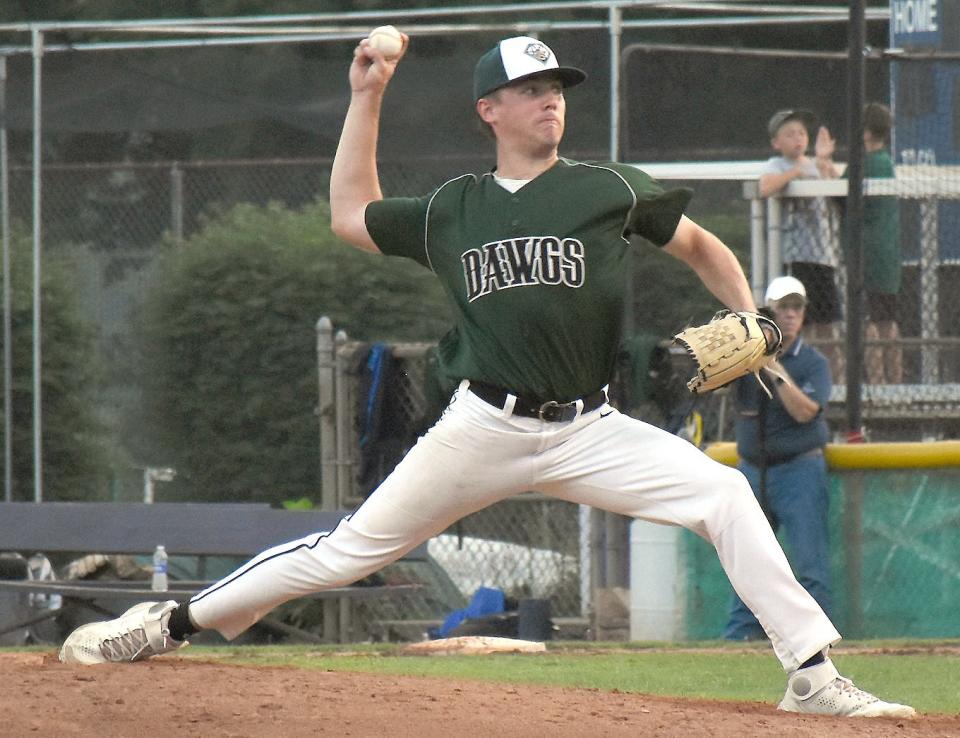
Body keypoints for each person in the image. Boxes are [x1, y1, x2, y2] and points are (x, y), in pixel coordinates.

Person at [59, 35, 914, 718]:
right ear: (489, 109)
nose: (552, 98)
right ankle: (162, 623)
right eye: (532, 88)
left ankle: (811, 674)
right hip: (482, 427)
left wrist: (756, 320)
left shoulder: (608, 187)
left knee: (723, 499)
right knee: (346, 552)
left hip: (590, 429)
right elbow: (349, 213)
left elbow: (698, 245)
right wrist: (366, 96)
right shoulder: (455, 208)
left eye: (558, 87)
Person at [725, 276, 832, 642]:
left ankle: (815, 642)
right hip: (752, 471)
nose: (790, 315)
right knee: (749, 561)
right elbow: (710, 383)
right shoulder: (745, 359)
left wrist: (771, 364)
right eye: (782, 308)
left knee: (809, 564)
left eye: (796, 307)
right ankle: (740, 639)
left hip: (799, 470)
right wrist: (736, 349)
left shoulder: (812, 362)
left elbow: (806, 412)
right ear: (769, 312)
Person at [760, 109, 844, 378]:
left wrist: (824, 163)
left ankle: (835, 378)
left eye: (801, 133)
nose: (797, 138)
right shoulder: (777, 164)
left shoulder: (817, 164)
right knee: (801, 324)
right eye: (790, 133)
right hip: (796, 259)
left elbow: (838, 195)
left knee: (829, 325)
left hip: (824, 257)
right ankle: (797, 375)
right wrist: (797, 172)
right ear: (776, 142)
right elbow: (765, 187)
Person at [846, 102, 902, 384]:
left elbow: (840, 197)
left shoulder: (864, 164)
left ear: (866, 132)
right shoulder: (886, 162)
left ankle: (879, 386)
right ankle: (896, 385)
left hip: (867, 258)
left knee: (871, 323)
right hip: (889, 258)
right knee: (888, 322)